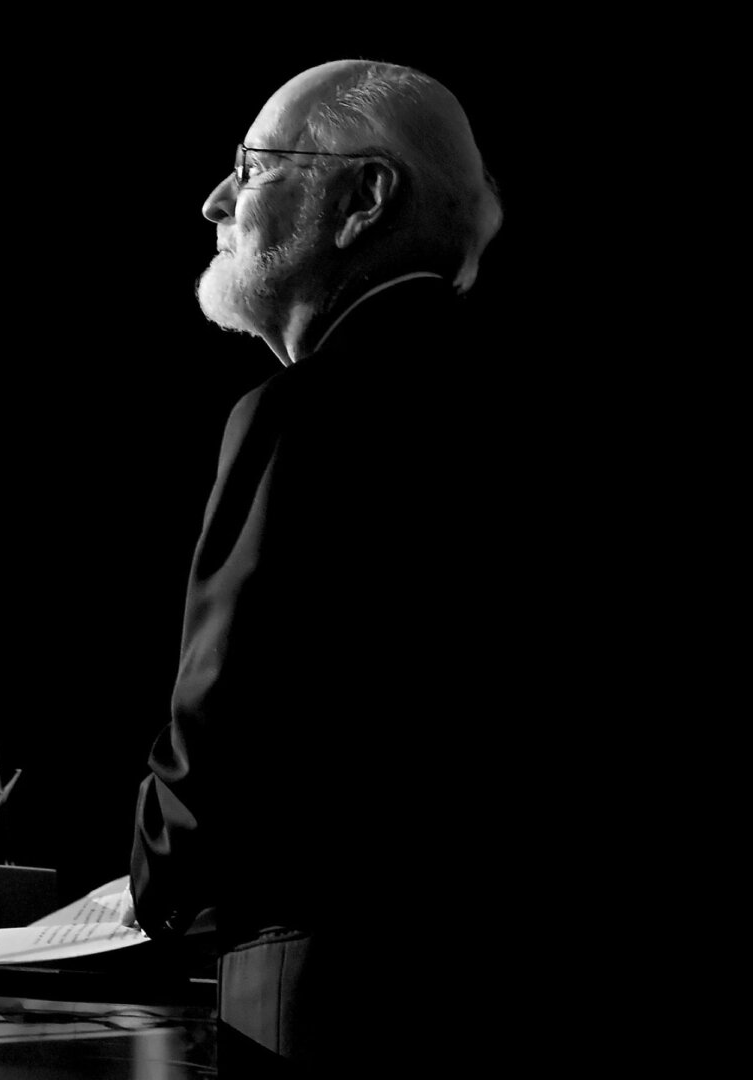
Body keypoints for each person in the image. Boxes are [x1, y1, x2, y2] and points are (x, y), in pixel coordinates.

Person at [129, 60, 525, 1076]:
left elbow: (221, 740)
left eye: (251, 167)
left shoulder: (303, 414)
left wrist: (150, 890)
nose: (215, 202)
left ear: (363, 199)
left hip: (332, 995)